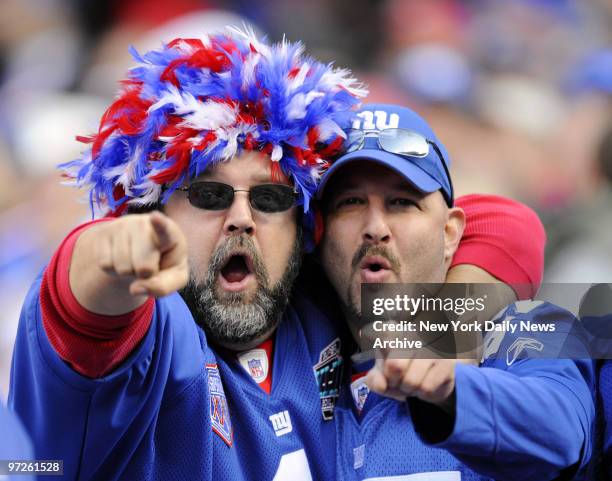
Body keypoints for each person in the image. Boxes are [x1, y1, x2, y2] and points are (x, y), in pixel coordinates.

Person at [9, 27, 367, 480]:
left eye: (271, 199)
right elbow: (86, 313)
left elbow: (477, 319)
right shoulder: (155, 331)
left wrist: (467, 272)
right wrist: (111, 256)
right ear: (151, 210)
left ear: (302, 225)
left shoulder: (335, 304)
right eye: (209, 195)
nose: (242, 217)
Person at [315, 103, 595, 480]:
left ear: (450, 233)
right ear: (318, 231)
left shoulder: (526, 328)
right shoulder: (298, 342)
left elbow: (562, 428)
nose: (376, 227)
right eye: (350, 202)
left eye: (402, 202)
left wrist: (452, 391)